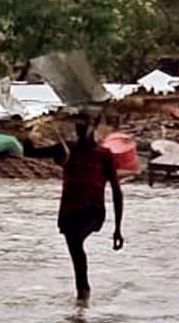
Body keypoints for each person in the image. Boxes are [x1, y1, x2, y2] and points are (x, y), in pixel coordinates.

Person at [49, 120, 126, 301]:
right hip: (69, 211)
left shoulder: (103, 155)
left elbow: (116, 191)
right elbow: (31, 150)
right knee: (75, 252)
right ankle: (82, 296)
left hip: (91, 211)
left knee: (76, 243)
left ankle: (83, 294)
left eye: (85, 126)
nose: (81, 130)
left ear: (94, 127)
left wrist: (118, 229)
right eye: (79, 126)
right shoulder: (67, 150)